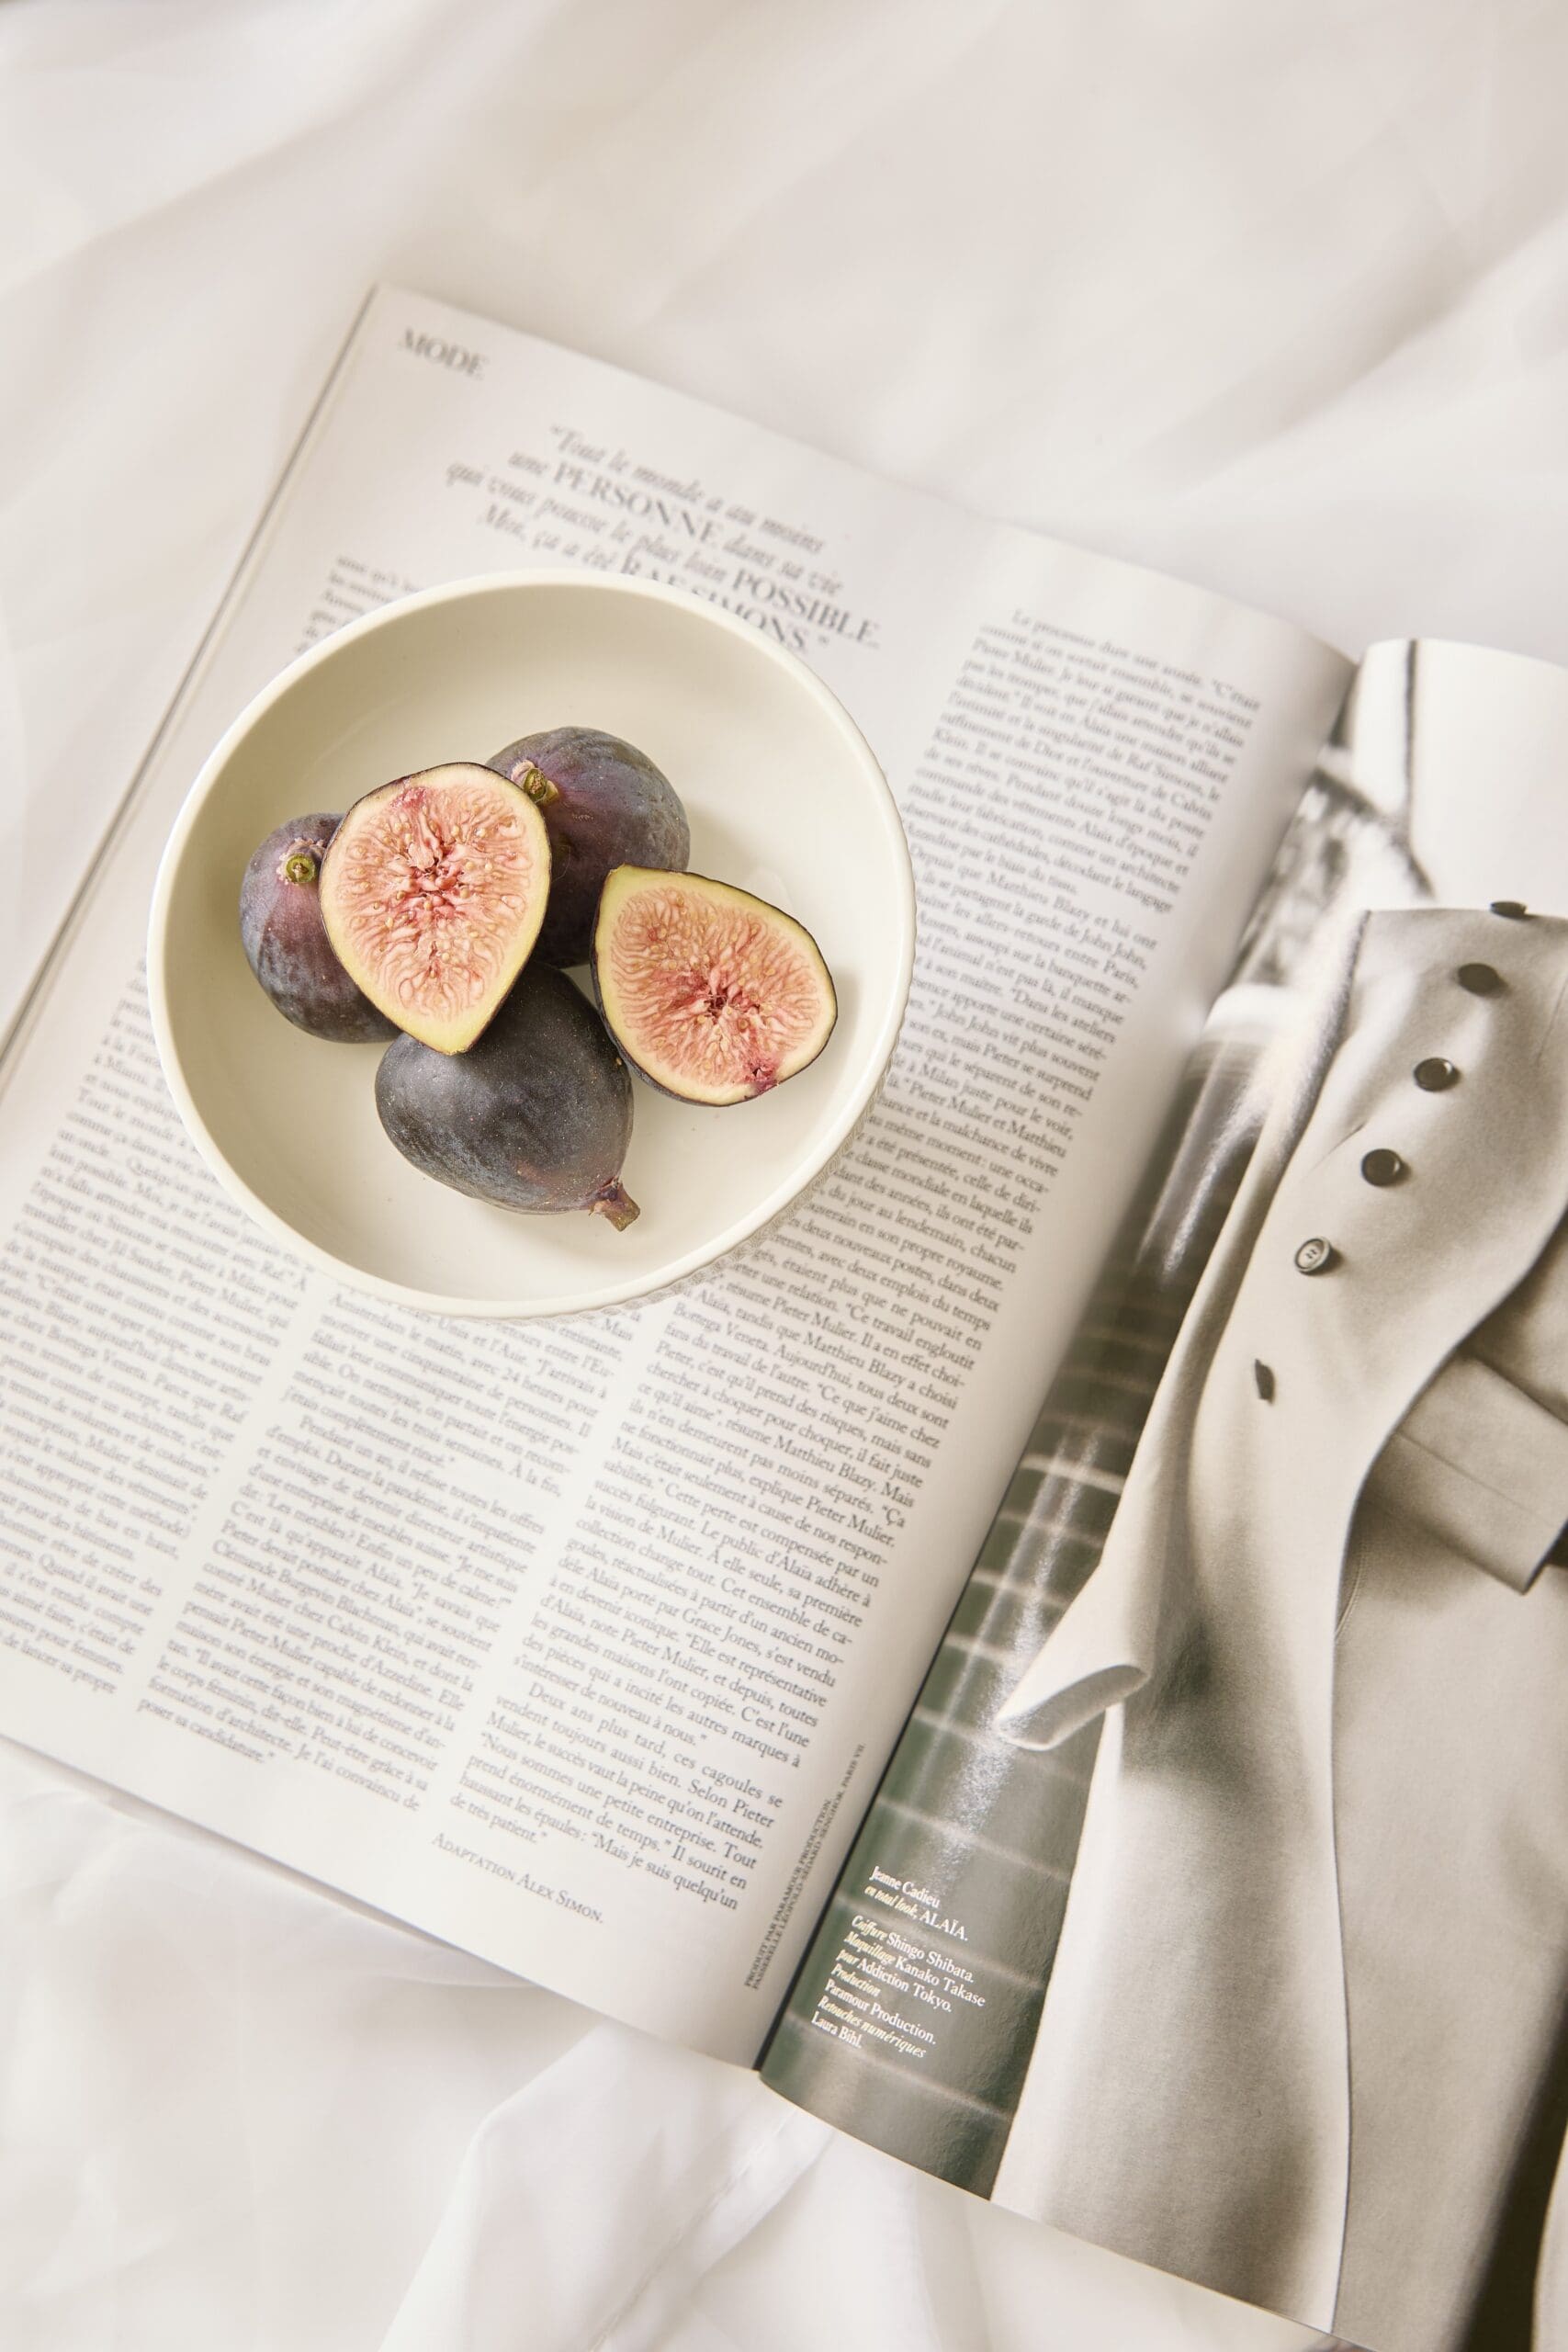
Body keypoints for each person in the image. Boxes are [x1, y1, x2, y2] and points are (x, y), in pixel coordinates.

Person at [991, 902, 1568, 2352]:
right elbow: (1255, 1287)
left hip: (1509, 1686)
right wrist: (1136, 1589)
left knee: (1438, 2174)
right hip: (1268, 1582)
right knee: (1148, 2147)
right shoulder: (1437, 964)